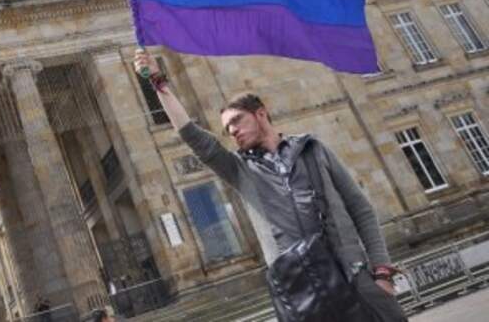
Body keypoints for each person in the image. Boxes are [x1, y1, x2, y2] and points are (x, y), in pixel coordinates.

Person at [133, 50, 406, 322]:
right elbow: (191, 134)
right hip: (304, 294)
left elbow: (361, 210)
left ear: (261, 113)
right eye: (227, 129)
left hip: (355, 276)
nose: (232, 131)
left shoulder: (313, 149)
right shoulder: (239, 170)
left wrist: (381, 271)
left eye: (236, 121)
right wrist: (158, 82)